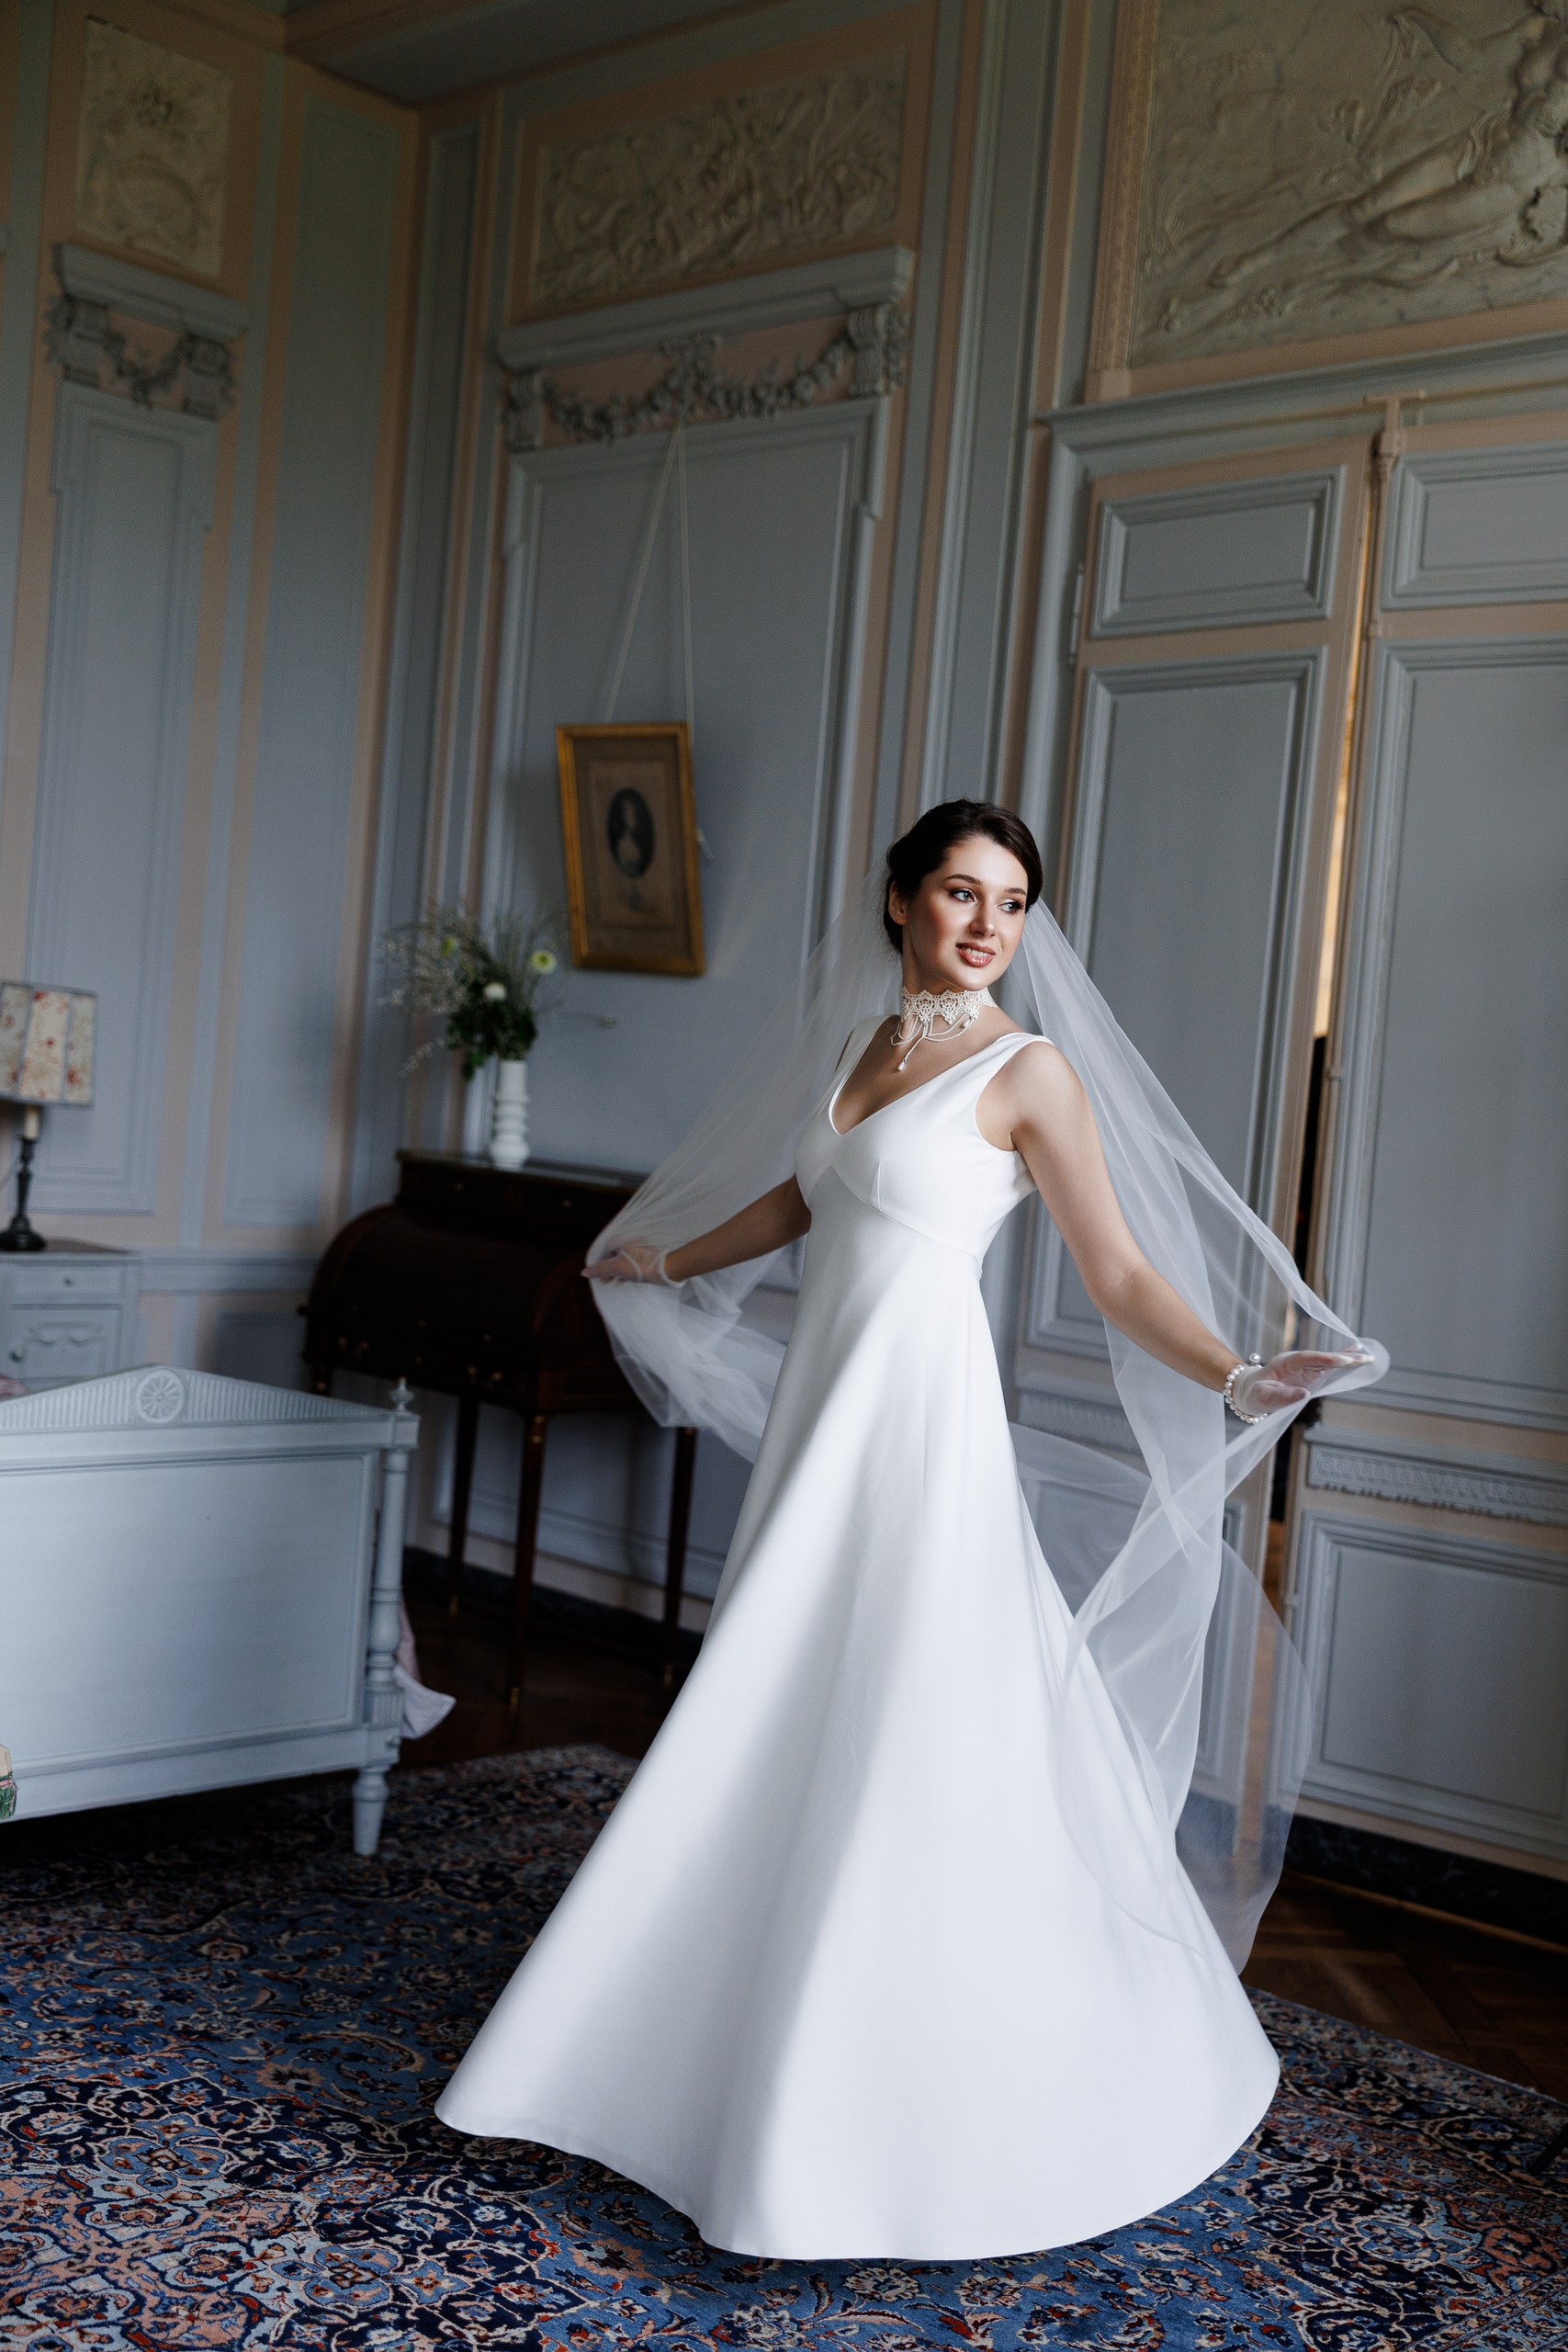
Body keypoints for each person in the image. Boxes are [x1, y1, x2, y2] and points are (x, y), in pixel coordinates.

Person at [435, 800, 1381, 2260]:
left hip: (918, 1444)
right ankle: (689, 2045)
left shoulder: (1030, 1072)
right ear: (899, 902)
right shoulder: (861, 1052)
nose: (988, 922)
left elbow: (1117, 1270)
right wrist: (665, 1257)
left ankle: (947, 2083)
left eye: (1012, 901)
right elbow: (802, 1207)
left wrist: (1241, 1373)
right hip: (826, 1433)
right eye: (960, 891)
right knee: (778, 1711)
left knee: (921, 1727)